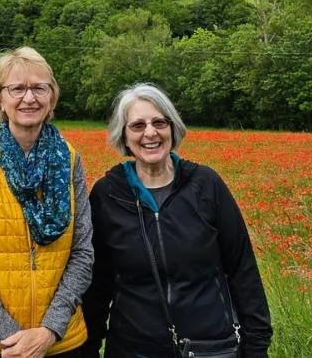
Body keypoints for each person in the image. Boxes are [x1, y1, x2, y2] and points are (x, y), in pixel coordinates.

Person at [82, 83, 272, 358]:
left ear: (172, 128)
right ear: (124, 135)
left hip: (210, 348)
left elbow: (242, 270)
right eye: (137, 125)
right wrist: (88, 347)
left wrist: (256, 347)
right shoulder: (108, 194)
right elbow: (98, 282)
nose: (150, 133)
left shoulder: (206, 185)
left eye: (159, 122)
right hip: (134, 349)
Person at [0, 47, 93, 358]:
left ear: (52, 97)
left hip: (59, 342)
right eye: (18, 88)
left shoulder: (69, 160)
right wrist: (10, 335)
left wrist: (49, 330)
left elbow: (82, 251)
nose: (30, 98)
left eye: (40, 88)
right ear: (1, 98)